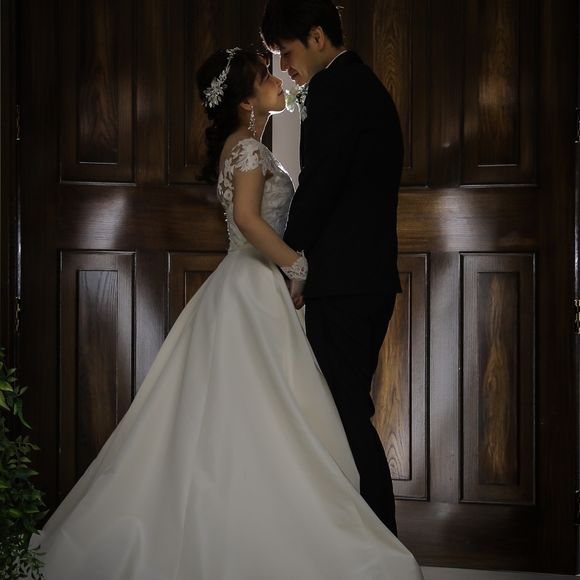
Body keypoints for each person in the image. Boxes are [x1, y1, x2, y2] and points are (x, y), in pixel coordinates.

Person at [27, 47, 423, 579]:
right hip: (252, 285)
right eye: (264, 76)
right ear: (244, 102)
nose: (277, 79)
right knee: (257, 410)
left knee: (252, 411)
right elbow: (249, 221)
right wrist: (298, 264)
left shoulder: (244, 147)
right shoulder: (248, 150)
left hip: (246, 284)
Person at [261, 0, 404, 536]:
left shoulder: (335, 90)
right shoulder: (365, 87)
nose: (284, 68)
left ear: (317, 37)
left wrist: (291, 258)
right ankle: (363, 543)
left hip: (344, 284)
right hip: (365, 280)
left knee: (344, 417)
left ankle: (383, 545)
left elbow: (320, 184)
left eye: (287, 52)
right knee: (343, 413)